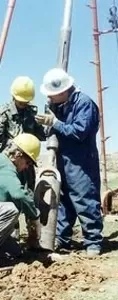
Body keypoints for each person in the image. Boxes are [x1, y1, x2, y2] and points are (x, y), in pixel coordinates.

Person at [35, 68, 103, 256]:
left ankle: (93, 242)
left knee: (84, 198)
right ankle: (62, 239)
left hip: (81, 162)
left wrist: (54, 123)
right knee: (64, 201)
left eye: (51, 94)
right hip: (64, 160)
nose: (49, 97)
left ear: (63, 91)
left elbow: (79, 132)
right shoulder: (60, 105)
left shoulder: (84, 104)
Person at [0, 76, 46, 239]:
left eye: (26, 102)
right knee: (10, 197)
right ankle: (11, 234)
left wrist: (45, 122)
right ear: (14, 97)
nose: (24, 104)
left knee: (28, 195)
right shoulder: (4, 114)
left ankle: (33, 234)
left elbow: (42, 136)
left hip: (26, 162)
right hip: (12, 161)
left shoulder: (31, 114)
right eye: (21, 101)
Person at [0, 133, 42, 257]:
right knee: (11, 209)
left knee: (14, 252)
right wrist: (35, 217)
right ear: (18, 155)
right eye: (28, 163)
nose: (26, 168)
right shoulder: (6, 168)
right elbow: (19, 195)